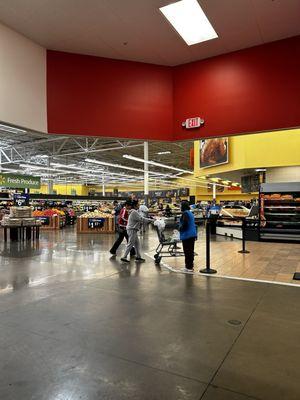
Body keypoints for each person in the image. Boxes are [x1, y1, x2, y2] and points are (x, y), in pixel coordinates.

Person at [179, 201, 197, 272]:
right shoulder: (190, 213)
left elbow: (185, 223)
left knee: (187, 251)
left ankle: (188, 267)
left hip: (187, 235)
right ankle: (190, 266)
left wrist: (180, 228)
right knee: (190, 251)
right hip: (192, 234)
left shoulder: (185, 213)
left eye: (181, 206)